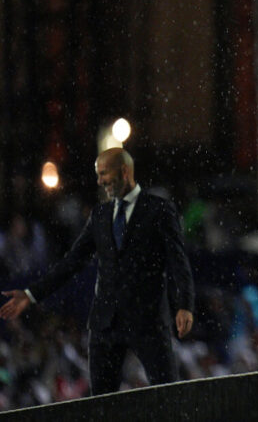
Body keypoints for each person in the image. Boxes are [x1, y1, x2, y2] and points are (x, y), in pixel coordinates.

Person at [0, 148, 195, 394]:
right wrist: (31, 294)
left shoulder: (159, 210)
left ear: (125, 171)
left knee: (167, 396)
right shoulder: (101, 215)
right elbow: (72, 262)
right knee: (101, 406)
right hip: (106, 325)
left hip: (147, 320)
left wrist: (185, 304)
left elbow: (178, 262)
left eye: (105, 174)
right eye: (98, 175)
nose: (100, 181)